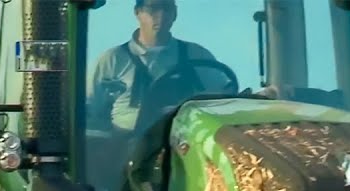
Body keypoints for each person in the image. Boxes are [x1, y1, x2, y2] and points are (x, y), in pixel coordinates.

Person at [86, 0, 238, 134]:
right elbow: (87, 109)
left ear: (175, 14)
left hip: (184, 143)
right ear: (137, 12)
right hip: (126, 147)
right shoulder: (112, 60)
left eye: (167, 8)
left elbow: (224, 99)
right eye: (153, 8)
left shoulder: (197, 55)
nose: (161, 15)